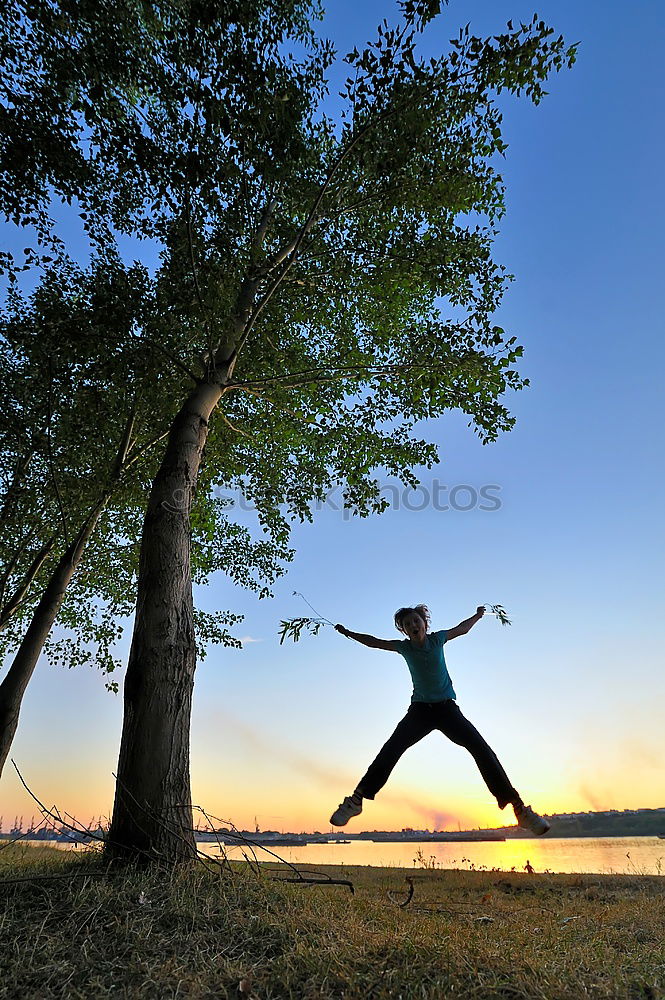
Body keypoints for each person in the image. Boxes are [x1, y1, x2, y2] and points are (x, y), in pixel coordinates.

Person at [329, 604, 550, 836]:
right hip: (420, 712)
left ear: (424, 623)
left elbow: (462, 629)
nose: (413, 626)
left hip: (447, 711)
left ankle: (520, 810)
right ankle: (356, 800)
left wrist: (478, 615)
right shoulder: (404, 648)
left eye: (416, 621)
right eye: (407, 625)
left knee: (482, 750)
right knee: (391, 749)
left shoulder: (438, 640)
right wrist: (348, 633)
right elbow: (373, 641)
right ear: (404, 631)